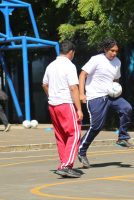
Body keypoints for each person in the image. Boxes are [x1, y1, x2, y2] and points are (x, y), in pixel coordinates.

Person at [78, 38, 133, 168]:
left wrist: (117, 89)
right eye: (112, 50)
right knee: (97, 126)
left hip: (111, 96)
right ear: (105, 49)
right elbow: (82, 75)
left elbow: (116, 79)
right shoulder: (96, 59)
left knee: (127, 108)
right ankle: (81, 150)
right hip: (95, 97)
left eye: (116, 51)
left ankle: (122, 138)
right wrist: (81, 94)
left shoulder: (117, 62)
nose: (114, 53)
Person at [42, 40, 83, 178]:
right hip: (66, 104)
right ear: (71, 52)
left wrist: (52, 96)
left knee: (61, 136)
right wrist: (79, 109)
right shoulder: (69, 66)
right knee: (75, 133)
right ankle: (66, 165)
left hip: (53, 105)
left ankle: (63, 164)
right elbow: (73, 88)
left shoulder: (51, 65)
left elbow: (44, 84)